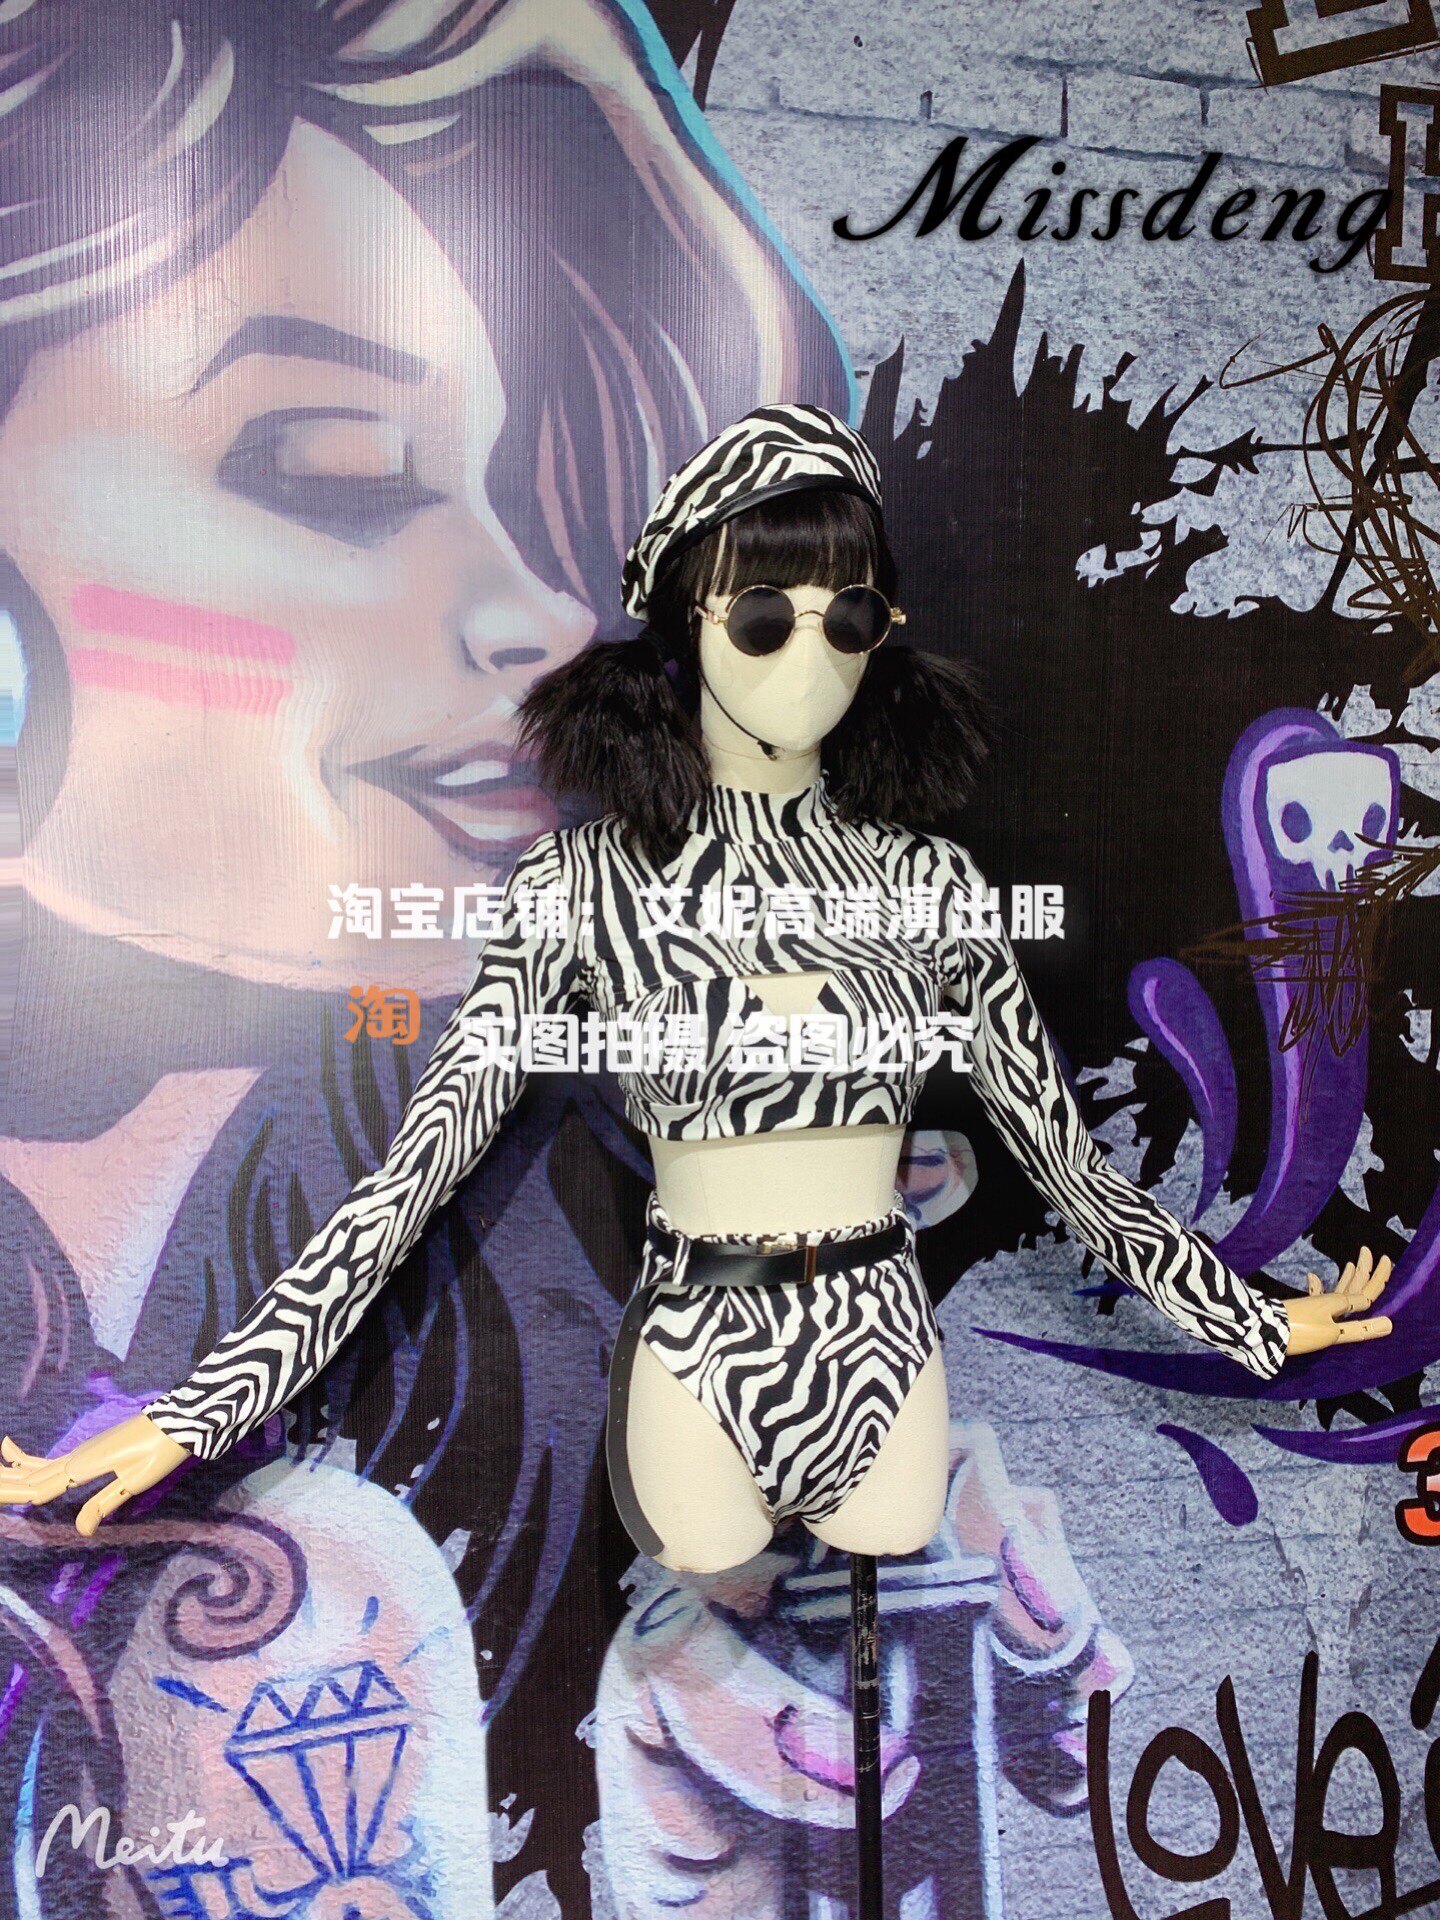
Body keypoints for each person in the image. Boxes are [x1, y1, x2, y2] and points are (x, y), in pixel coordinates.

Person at [1, 403, 1397, 1579]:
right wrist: (196, 1412)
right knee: (705, 1569)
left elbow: (1067, 1165)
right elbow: (412, 1178)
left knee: (889, 1558)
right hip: (695, 1353)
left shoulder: (928, 886)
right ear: (688, 625)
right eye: (766, 615)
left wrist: (1251, 1319)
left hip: (883, 1350)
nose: (814, 656)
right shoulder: (583, 887)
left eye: (851, 615)